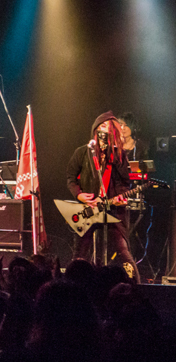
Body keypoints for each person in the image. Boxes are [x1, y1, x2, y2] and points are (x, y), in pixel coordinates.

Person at [66, 111, 139, 282]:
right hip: (88, 208)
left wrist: (121, 197)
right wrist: (79, 195)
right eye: (102, 126)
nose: (104, 130)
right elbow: (70, 178)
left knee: (122, 250)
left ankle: (136, 285)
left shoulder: (119, 155)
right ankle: (72, 284)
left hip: (112, 209)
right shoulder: (83, 152)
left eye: (108, 127)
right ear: (95, 129)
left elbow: (124, 182)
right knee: (80, 252)